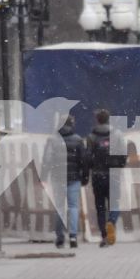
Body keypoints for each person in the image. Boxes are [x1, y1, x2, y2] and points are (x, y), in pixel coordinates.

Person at [54, 114, 88, 250]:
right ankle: (73, 236)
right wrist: (85, 177)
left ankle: (60, 238)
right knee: (73, 206)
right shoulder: (78, 140)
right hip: (74, 178)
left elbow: (47, 159)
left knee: (60, 208)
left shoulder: (53, 140)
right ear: (71, 124)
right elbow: (84, 160)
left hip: (58, 178)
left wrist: (44, 177)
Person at [88, 107, 119, 247]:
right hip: (113, 175)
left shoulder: (91, 137)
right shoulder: (116, 135)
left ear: (97, 120)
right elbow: (122, 155)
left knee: (100, 207)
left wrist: (90, 170)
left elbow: (87, 157)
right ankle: (111, 221)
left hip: (97, 176)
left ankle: (104, 236)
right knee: (115, 203)